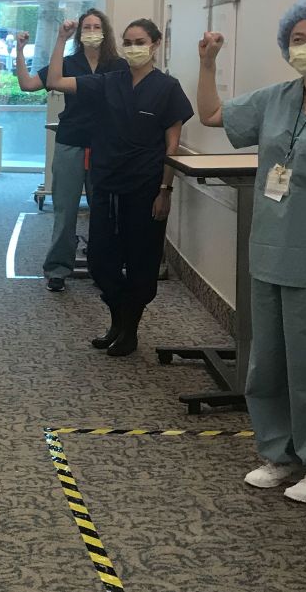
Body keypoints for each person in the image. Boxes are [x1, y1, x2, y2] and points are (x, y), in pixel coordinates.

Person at [196, 0, 306, 504]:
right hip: (269, 249)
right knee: (267, 360)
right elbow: (211, 115)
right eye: (297, 39)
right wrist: (207, 64)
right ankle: (278, 454)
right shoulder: (276, 98)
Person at [45, 18, 193, 357]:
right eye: (127, 41)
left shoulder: (167, 88)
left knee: (141, 262)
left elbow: (173, 145)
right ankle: (116, 319)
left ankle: (130, 329)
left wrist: (165, 190)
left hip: (145, 189)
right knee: (101, 260)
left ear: (155, 44)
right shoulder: (107, 82)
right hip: (108, 187)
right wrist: (62, 39)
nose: (132, 47)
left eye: (140, 41)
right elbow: (54, 80)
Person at [16, 9, 128, 293]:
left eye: (96, 26)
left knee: (103, 211)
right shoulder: (68, 62)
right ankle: (57, 269)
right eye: (86, 27)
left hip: (105, 145)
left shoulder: (118, 65)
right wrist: (24, 49)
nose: (91, 31)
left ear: (106, 32)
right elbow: (28, 84)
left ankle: (102, 268)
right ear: (79, 34)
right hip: (71, 141)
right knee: (65, 210)